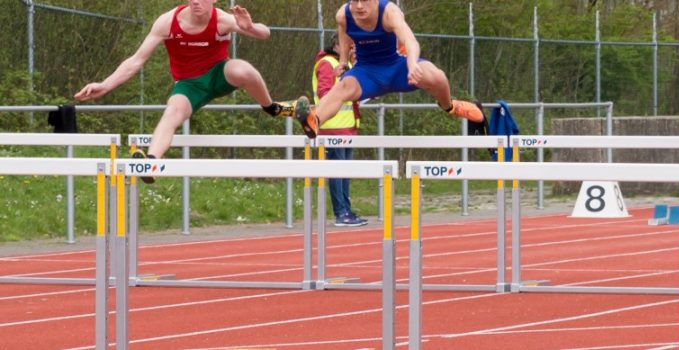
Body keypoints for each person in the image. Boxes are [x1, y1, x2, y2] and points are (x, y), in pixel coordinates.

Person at [74, 1, 298, 183]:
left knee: (244, 70)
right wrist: (105, 85)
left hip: (219, 74)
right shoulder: (168, 22)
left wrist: (249, 27)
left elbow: (265, 33)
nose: (195, 2)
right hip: (189, 85)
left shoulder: (222, 19)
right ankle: (150, 162)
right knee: (172, 112)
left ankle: (273, 108)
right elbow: (136, 61)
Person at [287, 0, 486, 139]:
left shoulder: (389, 12)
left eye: (364, 1)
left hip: (398, 67)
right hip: (367, 72)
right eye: (354, 1)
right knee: (343, 87)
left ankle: (449, 106)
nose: (359, 6)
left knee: (438, 77)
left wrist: (412, 64)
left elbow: (410, 40)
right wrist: (343, 61)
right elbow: (344, 34)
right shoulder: (343, 15)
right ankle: (314, 121)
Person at [314, 33, 367, 227]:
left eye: (353, 47)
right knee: (337, 172)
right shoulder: (327, 63)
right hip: (332, 127)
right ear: (337, 46)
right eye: (349, 46)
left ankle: (347, 209)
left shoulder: (348, 66)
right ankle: (341, 213)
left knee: (345, 172)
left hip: (348, 127)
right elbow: (324, 94)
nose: (352, 50)